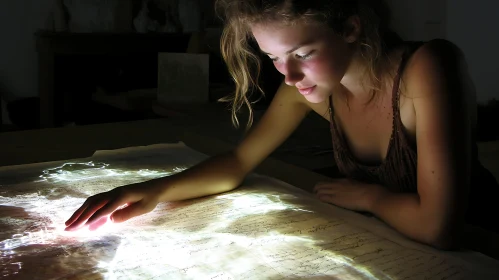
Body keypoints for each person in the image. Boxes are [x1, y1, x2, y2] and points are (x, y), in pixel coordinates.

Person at [65, 0, 498, 250]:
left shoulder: (427, 68)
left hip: (481, 246)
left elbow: (439, 226)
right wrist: (153, 191)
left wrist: (370, 196)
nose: (287, 76)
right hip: (391, 243)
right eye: (273, 58)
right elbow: (238, 160)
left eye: (302, 54)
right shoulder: (308, 89)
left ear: (350, 28)